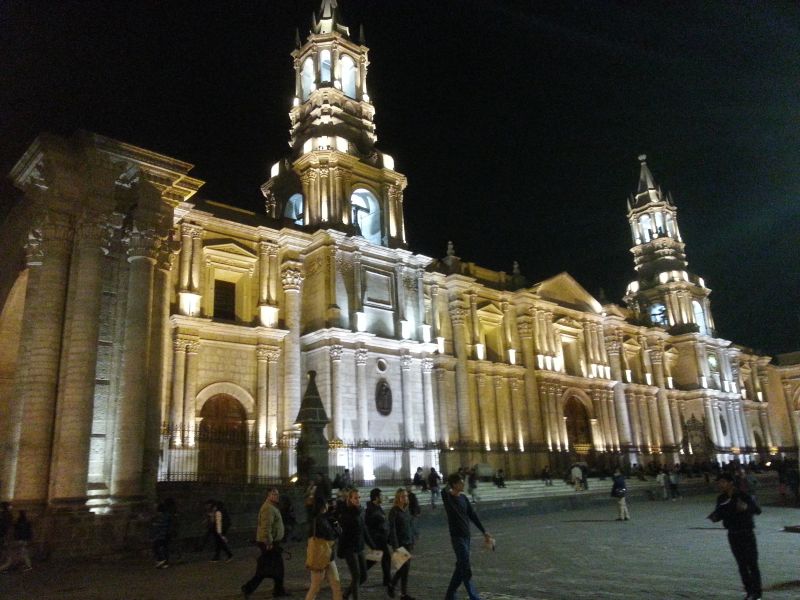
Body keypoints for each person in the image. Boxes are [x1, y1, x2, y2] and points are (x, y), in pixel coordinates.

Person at [707, 473, 762, 600]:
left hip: (746, 533)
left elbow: (757, 510)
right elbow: (719, 513)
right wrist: (715, 517)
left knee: (752, 564)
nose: (720, 485)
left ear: (730, 482)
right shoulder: (721, 498)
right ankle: (749, 591)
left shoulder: (743, 495)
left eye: (722, 482)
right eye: (719, 483)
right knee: (741, 565)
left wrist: (746, 507)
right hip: (733, 534)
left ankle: (757, 593)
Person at [441, 472, 492, 600]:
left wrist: (484, 531)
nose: (463, 483)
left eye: (463, 481)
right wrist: (452, 480)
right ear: (453, 484)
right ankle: (474, 596)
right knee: (465, 567)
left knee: (461, 567)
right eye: (460, 482)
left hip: (466, 537)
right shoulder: (447, 498)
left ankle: (450, 595)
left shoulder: (464, 498)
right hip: (457, 537)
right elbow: (444, 489)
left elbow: (472, 516)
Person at [242, 488, 289, 598]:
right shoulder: (268, 508)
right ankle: (248, 588)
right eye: (273, 494)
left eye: (277, 494)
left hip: (272, 542)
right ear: (268, 496)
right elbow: (266, 527)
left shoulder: (272, 507)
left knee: (273, 568)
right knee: (270, 569)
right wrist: (269, 542)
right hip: (269, 543)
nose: (276, 496)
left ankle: (278, 590)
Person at [338, 489, 376, 600]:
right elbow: (343, 535)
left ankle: (346, 594)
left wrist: (373, 546)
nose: (358, 499)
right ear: (349, 499)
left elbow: (364, 530)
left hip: (359, 547)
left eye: (359, 497)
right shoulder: (346, 513)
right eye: (355, 498)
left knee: (363, 576)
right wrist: (341, 551)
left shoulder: (360, 512)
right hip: (349, 549)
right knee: (356, 576)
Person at [304, 498, 343, 600]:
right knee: (315, 588)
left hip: (328, 557)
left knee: (336, 584)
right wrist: (336, 526)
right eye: (327, 503)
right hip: (320, 557)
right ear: (323, 506)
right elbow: (332, 535)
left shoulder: (324, 518)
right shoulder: (320, 520)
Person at [388, 488, 416, 600]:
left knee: (405, 569)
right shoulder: (394, 511)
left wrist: (412, 539)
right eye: (403, 496)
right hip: (400, 544)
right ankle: (399, 590)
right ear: (398, 498)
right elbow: (392, 530)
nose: (405, 498)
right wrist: (395, 546)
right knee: (403, 569)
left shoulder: (406, 510)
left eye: (406, 496)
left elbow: (409, 526)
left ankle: (396, 588)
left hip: (408, 542)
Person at [364, 488, 391, 588]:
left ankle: (360, 571)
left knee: (374, 559)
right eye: (381, 496)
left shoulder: (377, 507)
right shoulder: (370, 510)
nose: (382, 497)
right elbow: (368, 526)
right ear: (376, 497)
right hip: (377, 538)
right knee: (386, 557)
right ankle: (388, 580)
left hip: (382, 537)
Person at [151, 501, 172, 568]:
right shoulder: (167, 515)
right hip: (165, 534)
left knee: (155, 547)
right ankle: (165, 562)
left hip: (161, 535)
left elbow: (157, 524)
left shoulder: (159, 516)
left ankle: (161, 560)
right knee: (165, 548)